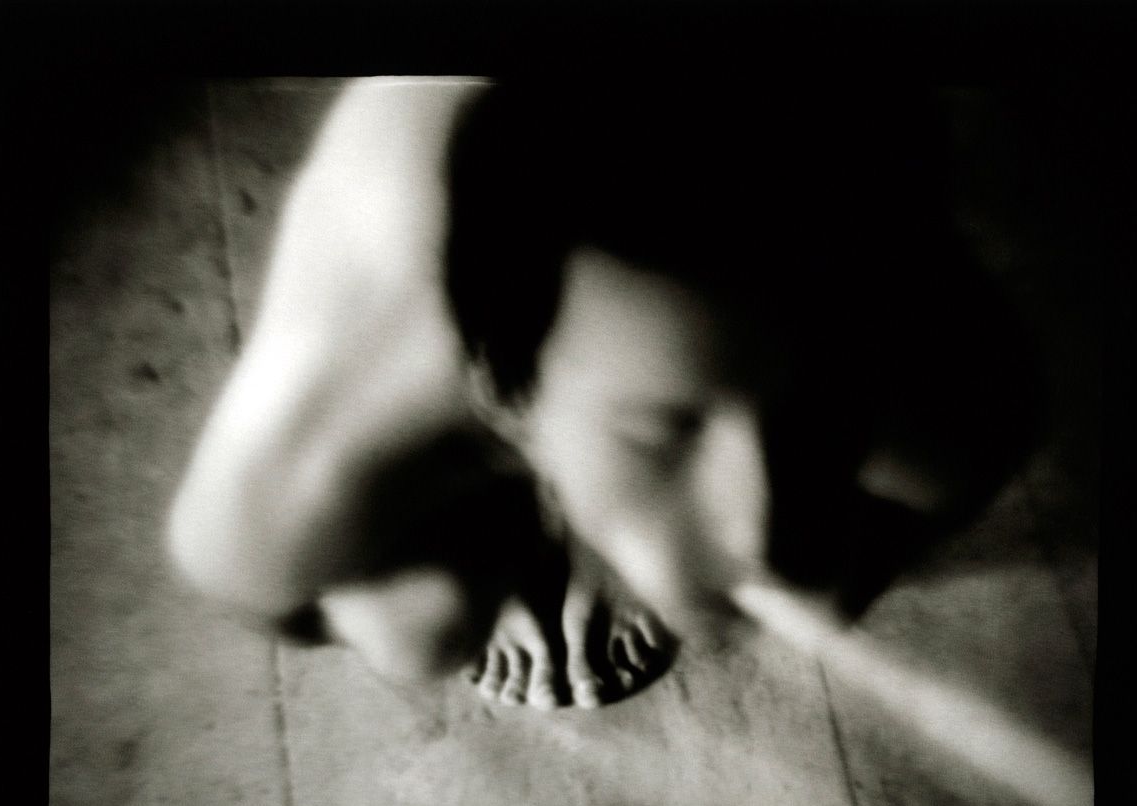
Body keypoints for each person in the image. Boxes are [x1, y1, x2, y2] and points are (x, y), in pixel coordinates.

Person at [168, 77, 1041, 709]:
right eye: (664, 431)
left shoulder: (891, 293)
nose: (757, 531)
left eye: (822, 397)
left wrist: (859, 554)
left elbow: (976, 448)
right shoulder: (305, 462)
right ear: (506, 402)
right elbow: (256, 589)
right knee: (414, 635)